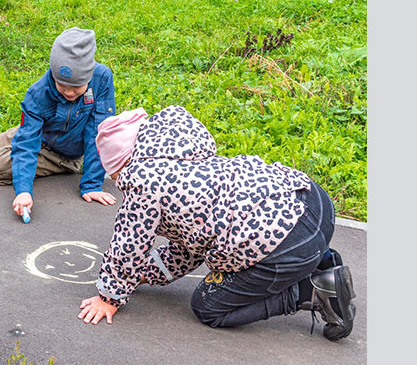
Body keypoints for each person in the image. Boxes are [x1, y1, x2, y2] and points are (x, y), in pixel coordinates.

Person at [77, 105, 357, 342]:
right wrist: (143, 273)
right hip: (313, 203)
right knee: (269, 234)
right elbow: (188, 248)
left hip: (288, 242)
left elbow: (128, 245)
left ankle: (311, 292)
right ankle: (324, 263)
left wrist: (110, 296)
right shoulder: (181, 155)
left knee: (208, 306)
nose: (119, 185)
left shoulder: (142, 184)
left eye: (114, 176)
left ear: (122, 165)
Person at [0, 27, 118, 217]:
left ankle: (14, 151)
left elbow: (98, 133)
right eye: (62, 85)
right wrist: (25, 143)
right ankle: (14, 143)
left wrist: (91, 184)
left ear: (89, 76)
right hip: (40, 135)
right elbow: (28, 144)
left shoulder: (102, 79)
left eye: (76, 87)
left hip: (63, 155)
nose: (69, 92)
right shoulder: (37, 94)